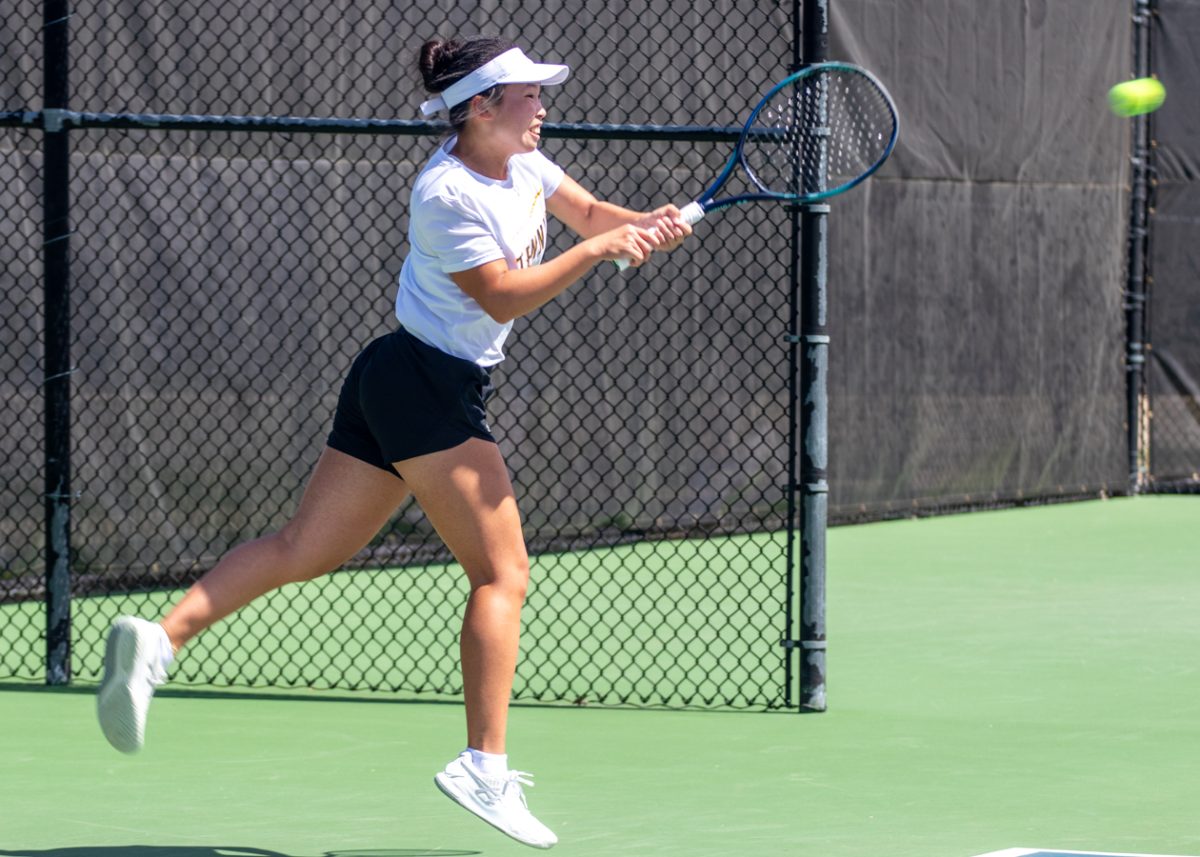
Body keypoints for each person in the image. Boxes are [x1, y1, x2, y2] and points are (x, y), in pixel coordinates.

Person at [95, 35, 690, 850]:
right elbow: (506, 297)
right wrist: (598, 251)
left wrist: (642, 225)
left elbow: (587, 214)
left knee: (305, 546)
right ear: (481, 106)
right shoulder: (444, 193)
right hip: (426, 387)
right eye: (527, 95)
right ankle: (483, 766)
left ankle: (159, 640)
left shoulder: (526, 165)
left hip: (399, 374)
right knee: (503, 573)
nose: (543, 108)